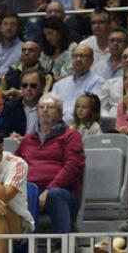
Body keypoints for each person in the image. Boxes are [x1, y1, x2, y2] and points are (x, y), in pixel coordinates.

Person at [15, 94, 85, 235]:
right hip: (30, 191)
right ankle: (22, 249)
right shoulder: (27, 140)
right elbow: (15, 166)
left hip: (63, 192)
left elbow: (72, 167)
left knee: (55, 195)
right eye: (41, 107)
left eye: (50, 107)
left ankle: (62, 246)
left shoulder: (71, 136)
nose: (45, 110)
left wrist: (49, 189)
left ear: (60, 113)